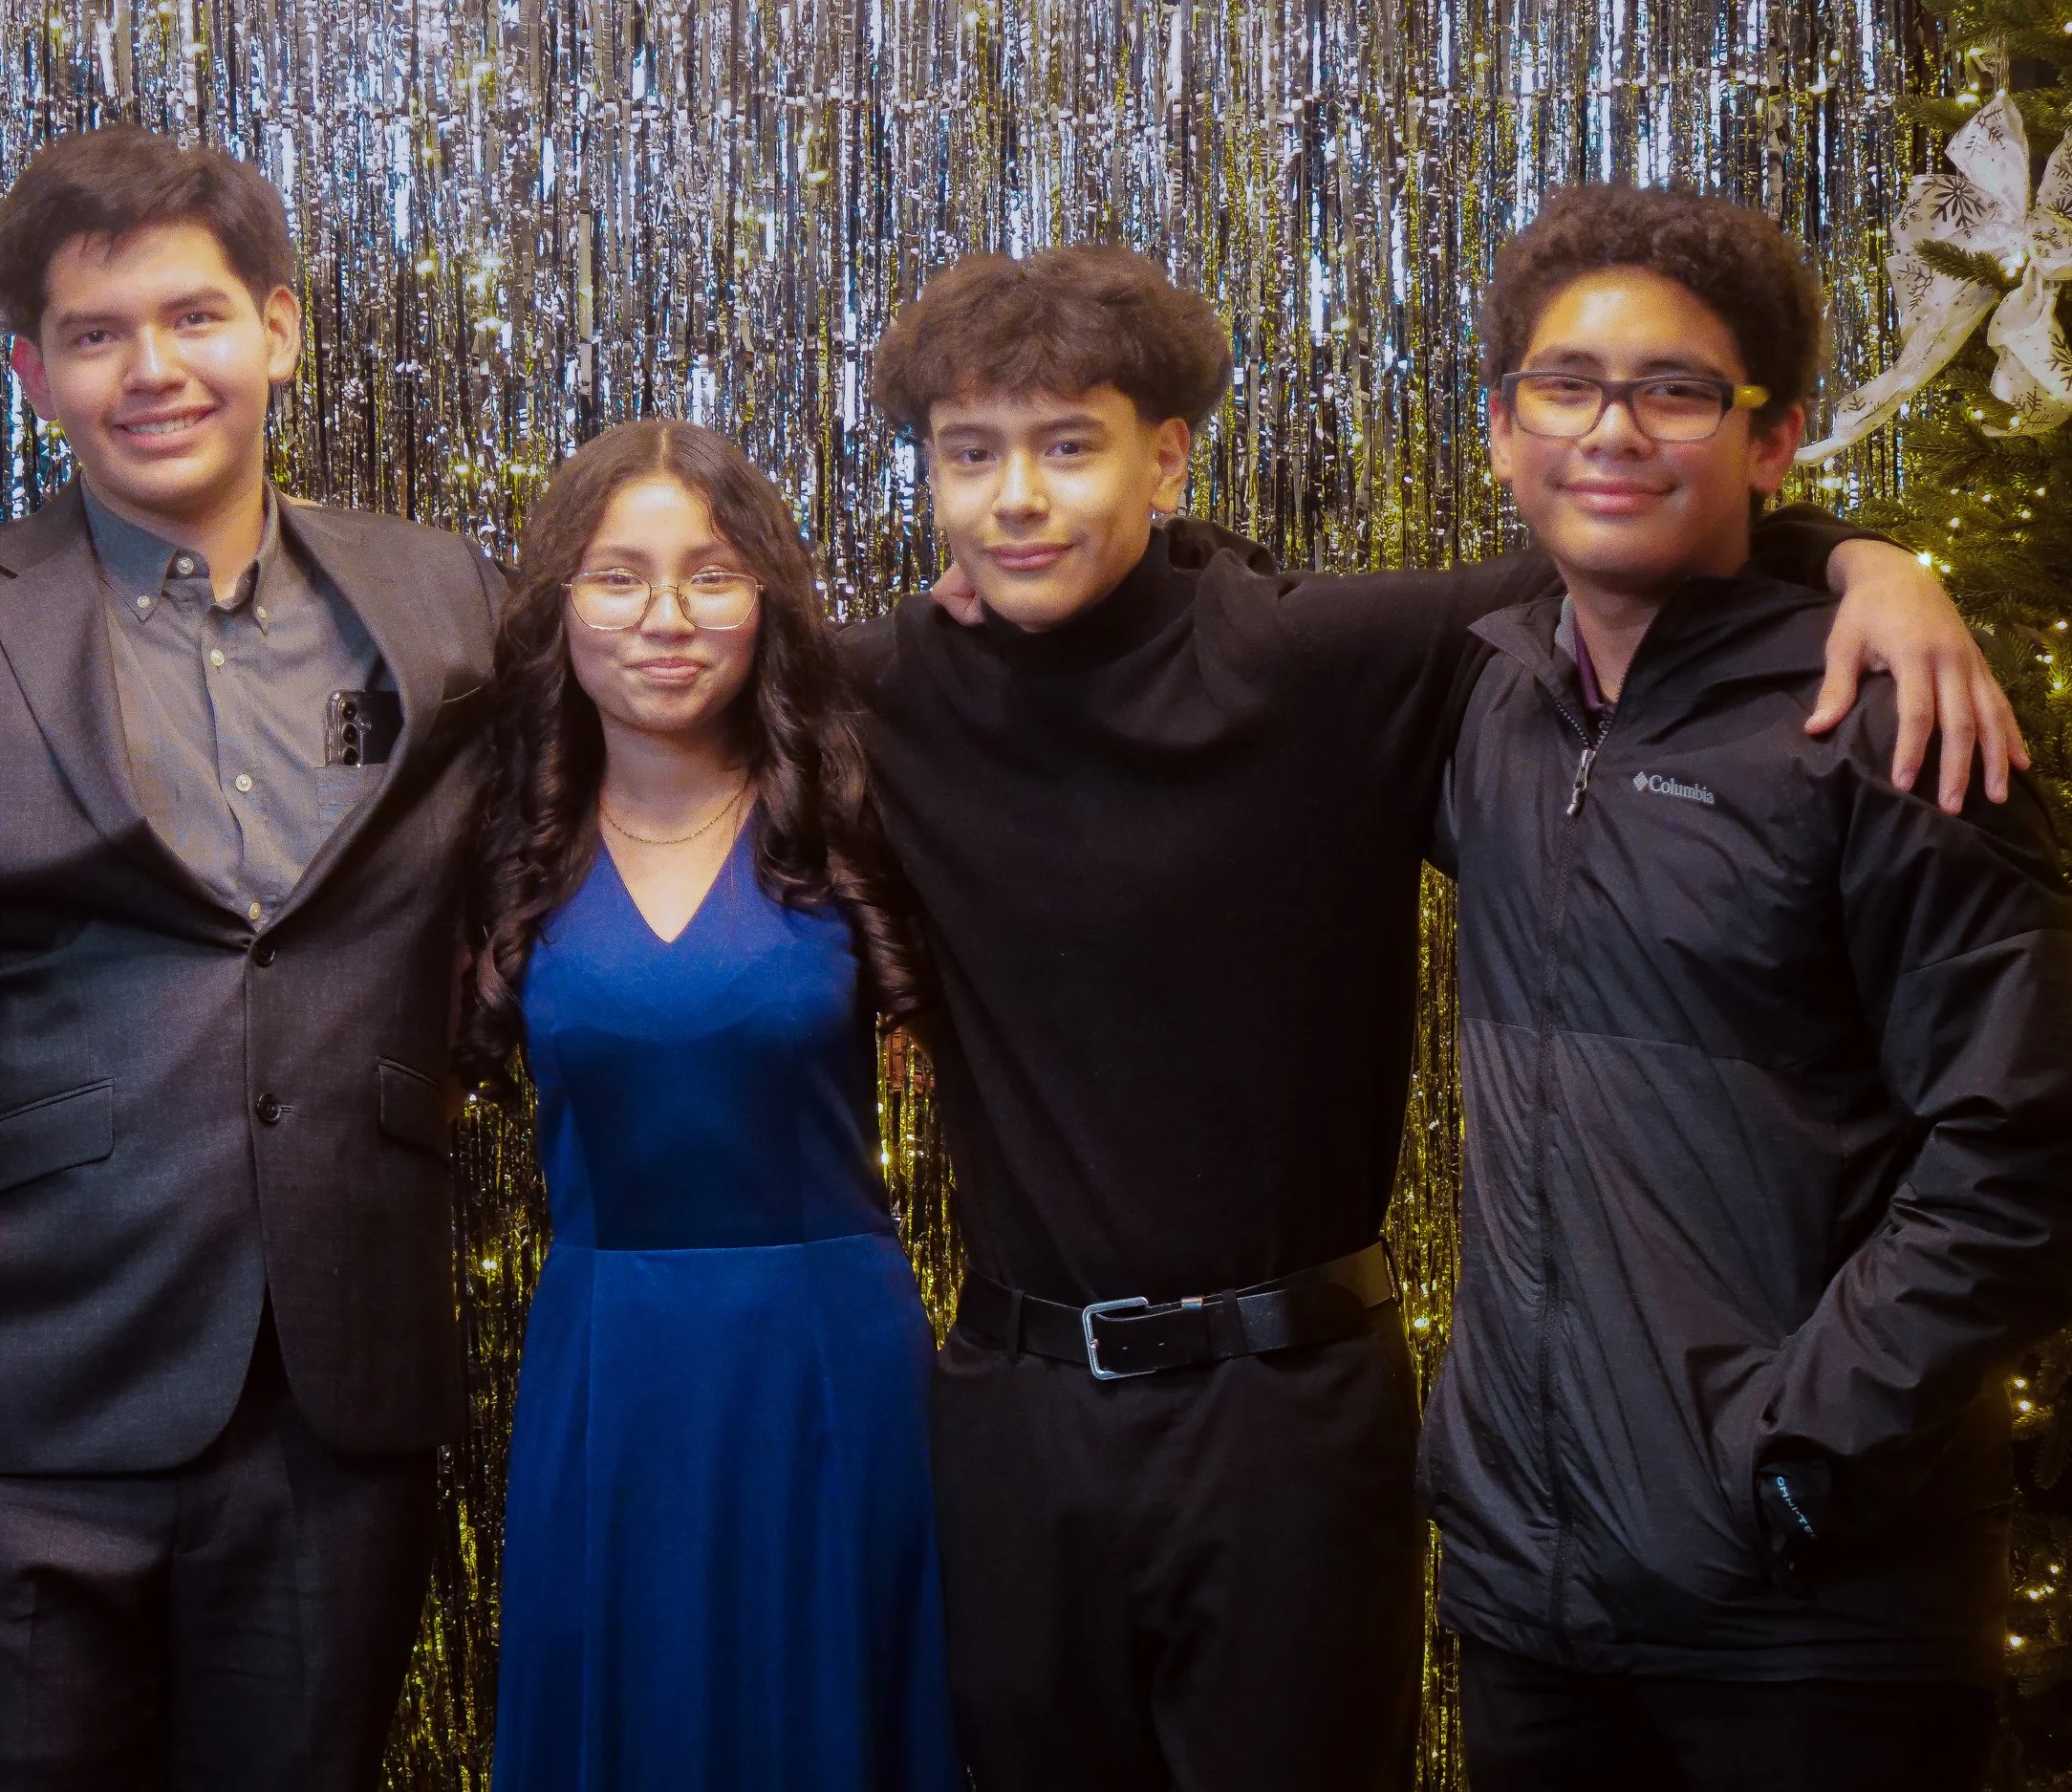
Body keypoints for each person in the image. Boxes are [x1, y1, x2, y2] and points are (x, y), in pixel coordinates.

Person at [844, 242, 2026, 1790]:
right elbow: (662, 662)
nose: (1017, 499)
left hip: (1292, 1404)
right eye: (971, 455)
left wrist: (1872, 563)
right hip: (1013, 1404)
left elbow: (1625, 530)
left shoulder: (1323, 656)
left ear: (1168, 457)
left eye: (1069, 446)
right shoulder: (882, 682)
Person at [0, 124, 503, 1788]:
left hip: (337, 1418)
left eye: (194, 317)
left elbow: (669, 690)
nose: (152, 370)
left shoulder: (445, 601)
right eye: (95, 335)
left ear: (279, 330)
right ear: (34, 374)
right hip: (12, 1432)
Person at [1417, 184, 2072, 1792]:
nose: (1611, 430)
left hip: (1809, 1615)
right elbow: (1209, 620)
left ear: (1772, 439)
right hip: (1530, 1601)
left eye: (1677, 392)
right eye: (1566, 386)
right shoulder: (1489, 700)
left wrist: (1802, 1447)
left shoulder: (1893, 723)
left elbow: (2031, 1142)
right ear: (1501, 428)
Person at [461, 420, 960, 1791]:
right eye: (619, 577)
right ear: (561, 607)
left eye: (713, 575)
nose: (667, 617)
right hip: (606, 1371)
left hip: (828, 1367)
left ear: (769, 603)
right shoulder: (501, 838)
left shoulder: (860, 813)